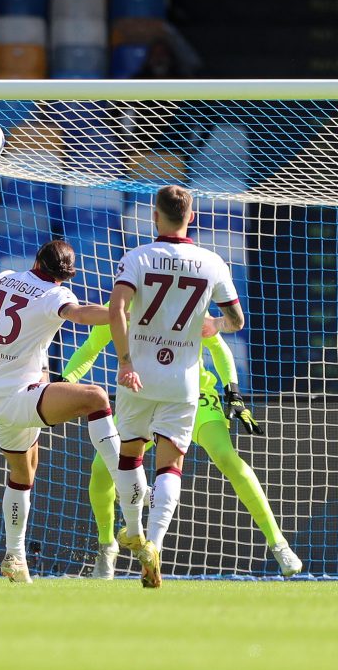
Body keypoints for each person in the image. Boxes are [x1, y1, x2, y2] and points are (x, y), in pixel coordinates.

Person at [0, 240, 151, 583]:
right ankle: (123, 478)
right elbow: (82, 315)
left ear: (36, 260)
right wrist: (124, 314)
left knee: (22, 474)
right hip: (23, 394)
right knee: (95, 397)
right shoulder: (54, 294)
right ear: (65, 276)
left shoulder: (1, 279)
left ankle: (14, 557)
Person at [60, 321, 303, 578]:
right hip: (143, 398)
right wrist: (63, 382)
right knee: (101, 468)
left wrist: (233, 393)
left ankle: (279, 545)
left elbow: (219, 347)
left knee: (225, 456)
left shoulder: (187, 296)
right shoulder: (123, 302)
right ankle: (107, 547)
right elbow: (90, 347)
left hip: (194, 396)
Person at [109, 184, 245, 588]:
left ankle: (132, 530)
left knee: (130, 455)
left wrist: (125, 360)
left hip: (139, 376)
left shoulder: (138, 257)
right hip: (182, 380)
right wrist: (215, 325)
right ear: (192, 217)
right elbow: (236, 320)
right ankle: (154, 543)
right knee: (170, 465)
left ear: (154, 216)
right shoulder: (212, 262)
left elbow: (117, 308)